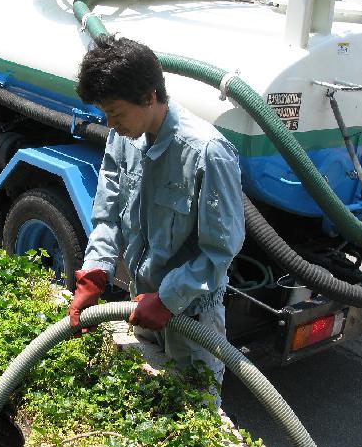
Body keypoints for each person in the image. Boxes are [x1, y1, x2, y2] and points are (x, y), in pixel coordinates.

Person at [68, 35, 245, 398]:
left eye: (116, 113)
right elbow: (108, 214)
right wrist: (96, 272)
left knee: (194, 416)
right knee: (150, 405)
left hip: (192, 315)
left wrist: (166, 300)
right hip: (140, 303)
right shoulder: (123, 137)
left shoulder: (207, 152)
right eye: (106, 114)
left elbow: (220, 251)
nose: (111, 123)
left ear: (149, 97)